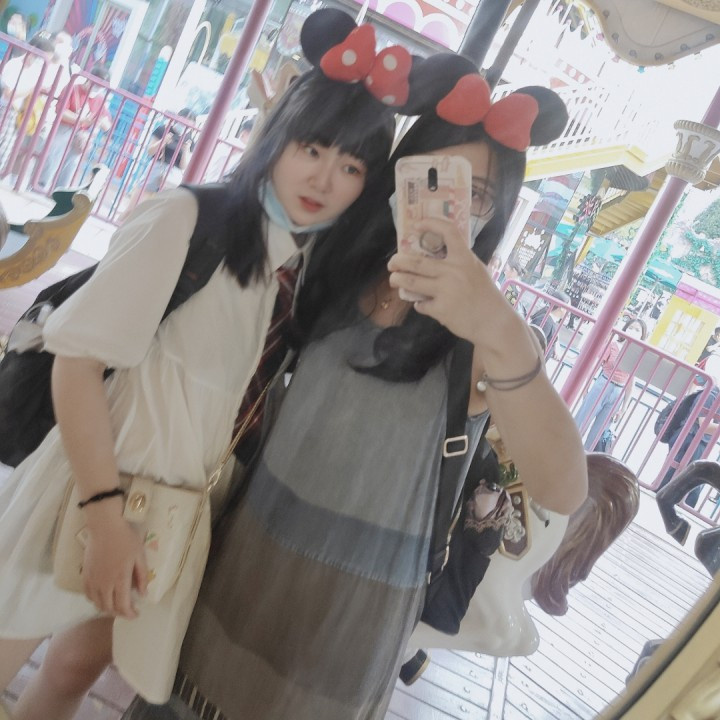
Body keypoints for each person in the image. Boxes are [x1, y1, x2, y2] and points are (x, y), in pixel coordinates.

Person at [123, 53, 586, 720]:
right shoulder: (333, 268)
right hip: (240, 562)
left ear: (496, 213)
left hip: (343, 625)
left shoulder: (488, 336)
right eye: (431, 178)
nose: (448, 207)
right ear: (399, 182)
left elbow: (563, 489)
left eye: (476, 194)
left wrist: (499, 327)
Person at [0, 9, 399, 719]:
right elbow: (76, 365)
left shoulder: (307, 270)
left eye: (351, 167)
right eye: (312, 148)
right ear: (277, 137)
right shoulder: (187, 220)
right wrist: (104, 516)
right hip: (90, 483)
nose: (324, 178)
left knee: (74, 670)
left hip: (175, 514)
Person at [574, 318, 648, 450]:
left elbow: (631, 382)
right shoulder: (613, 345)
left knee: (599, 432)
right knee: (582, 421)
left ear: (642, 335)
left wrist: (624, 408)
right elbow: (596, 366)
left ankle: (586, 457)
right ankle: (566, 448)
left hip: (618, 393)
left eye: (637, 330)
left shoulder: (638, 354)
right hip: (603, 384)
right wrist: (586, 388)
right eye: (631, 328)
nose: (633, 331)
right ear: (625, 329)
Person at [38, 63, 112, 190]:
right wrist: (82, 119)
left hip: (81, 134)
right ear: (89, 79)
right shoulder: (72, 88)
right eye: (97, 84)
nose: (98, 88)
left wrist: (101, 122)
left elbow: (106, 123)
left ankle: (60, 190)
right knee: (53, 155)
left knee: (72, 162)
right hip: (64, 127)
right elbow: (61, 111)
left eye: (101, 87)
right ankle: (40, 185)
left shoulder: (99, 99)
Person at [0, 32, 54, 172]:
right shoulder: (14, 65)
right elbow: (9, 94)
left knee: (5, 152)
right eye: (43, 58)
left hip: (18, 114)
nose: (44, 63)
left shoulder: (36, 70)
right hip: (5, 109)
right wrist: (34, 89)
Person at [529, 287, 570, 358]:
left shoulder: (548, 320)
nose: (569, 311)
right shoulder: (546, 321)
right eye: (568, 308)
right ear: (562, 308)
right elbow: (533, 346)